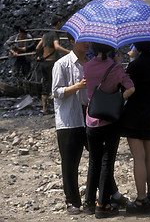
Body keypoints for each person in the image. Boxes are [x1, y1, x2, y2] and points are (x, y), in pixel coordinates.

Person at [83, 42, 135, 219]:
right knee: (107, 162)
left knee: (93, 161)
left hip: (91, 120)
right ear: (112, 50)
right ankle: (102, 205)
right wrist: (118, 98)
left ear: (94, 49)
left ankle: (89, 202)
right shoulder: (115, 68)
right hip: (110, 122)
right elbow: (131, 88)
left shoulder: (87, 67)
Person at [120, 41, 150, 214]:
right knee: (149, 157)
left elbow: (126, 87)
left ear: (137, 46)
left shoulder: (135, 65)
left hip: (134, 115)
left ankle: (141, 199)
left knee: (138, 158)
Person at [51, 33, 90, 215]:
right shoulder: (62, 64)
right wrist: (77, 86)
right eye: (84, 40)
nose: (88, 43)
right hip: (69, 119)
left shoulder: (91, 63)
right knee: (70, 163)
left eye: (90, 40)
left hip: (89, 116)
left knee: (100, 158)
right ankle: (72, 201)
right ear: (73, 42)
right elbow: (56, 92)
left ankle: (107, 194)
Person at [36, 15, 71, 114]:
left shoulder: (45, 34)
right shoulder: (55, 34)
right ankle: (57, 106)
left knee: (46, 83)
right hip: (51, 63)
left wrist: (39, 56)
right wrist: (69, 52)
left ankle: (44, 108)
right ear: (59, 23)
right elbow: (57, 47)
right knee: (56, 83)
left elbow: (37, 47)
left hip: (43, 63)